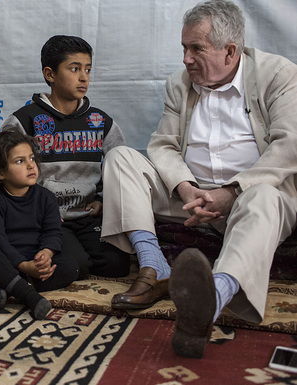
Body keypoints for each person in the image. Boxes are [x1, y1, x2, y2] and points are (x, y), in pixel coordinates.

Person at [101, 0, 297, 359]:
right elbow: (162, 145)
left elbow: (290, 146)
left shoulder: (278, 74)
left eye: (196, 49)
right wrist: (184, 186)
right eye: (184, 48)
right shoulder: (180, 84)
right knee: (121, 158)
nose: (186, 59)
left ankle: (212, 298)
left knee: (265, 197)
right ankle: (153, 265)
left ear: (230, 51)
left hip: (248, 195)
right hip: (189, 196)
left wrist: (232, 191)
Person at [4, 35, 130, 280]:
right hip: (47, 219)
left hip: (86, 215)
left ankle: (72, 255)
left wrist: (103, 198)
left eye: (88, 69)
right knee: (76, 265)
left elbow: (121, 166)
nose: (84, 77)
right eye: (74, 69)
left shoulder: (100, 121)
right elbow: (4, 172)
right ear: (50, 74)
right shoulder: (24, 120)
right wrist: (34, 208)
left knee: (117, 265)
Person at [0, 127, 79, 320]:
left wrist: (46, 253)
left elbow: (53, 231)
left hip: (34, 257)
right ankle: (27, 294)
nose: (31, 166)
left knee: (71, 266)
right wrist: (23, 265)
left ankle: (11, 287)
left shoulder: (46, 197)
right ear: (0, 173)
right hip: (8, 260)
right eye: (20, 161)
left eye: (31, 158)